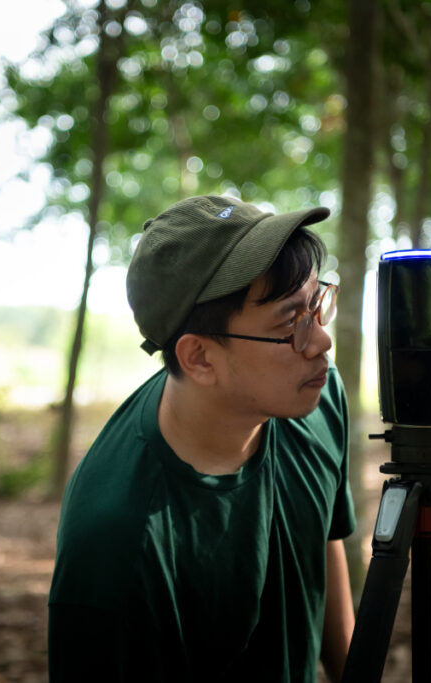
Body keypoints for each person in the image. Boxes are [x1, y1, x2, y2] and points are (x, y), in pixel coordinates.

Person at [48, 195, 356, 682]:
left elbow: (321, 540)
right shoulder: (116, 544)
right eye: (289, 322)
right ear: (199, 359)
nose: (320, 342)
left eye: (315, 306)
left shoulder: (314, 398)